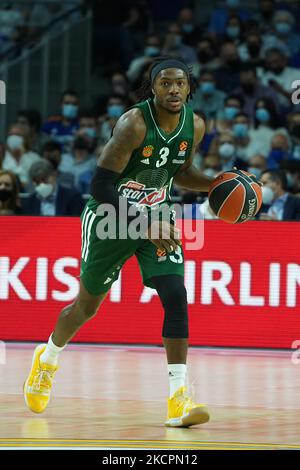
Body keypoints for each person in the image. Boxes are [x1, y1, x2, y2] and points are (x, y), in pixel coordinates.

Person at [23, 57, 214, 428]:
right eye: (165, 84)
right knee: (86, 307)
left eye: (179, 83)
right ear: (153, 88)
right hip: (112, 217)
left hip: (157, 215)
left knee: (175, 294)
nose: (173, 90)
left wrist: (219, 183)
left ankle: (179, 398)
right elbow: (99, 186)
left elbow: (182, 172)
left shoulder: (197, 125)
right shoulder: (134, 124)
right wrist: (143, 223)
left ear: (189, 87)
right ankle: (47, 359)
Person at [2, 123, 41, 191]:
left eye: (17, 135)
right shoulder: (2, 156)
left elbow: (38, 181)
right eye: (11, 135)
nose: (13, 138)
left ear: (25, 138)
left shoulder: (35, 158)